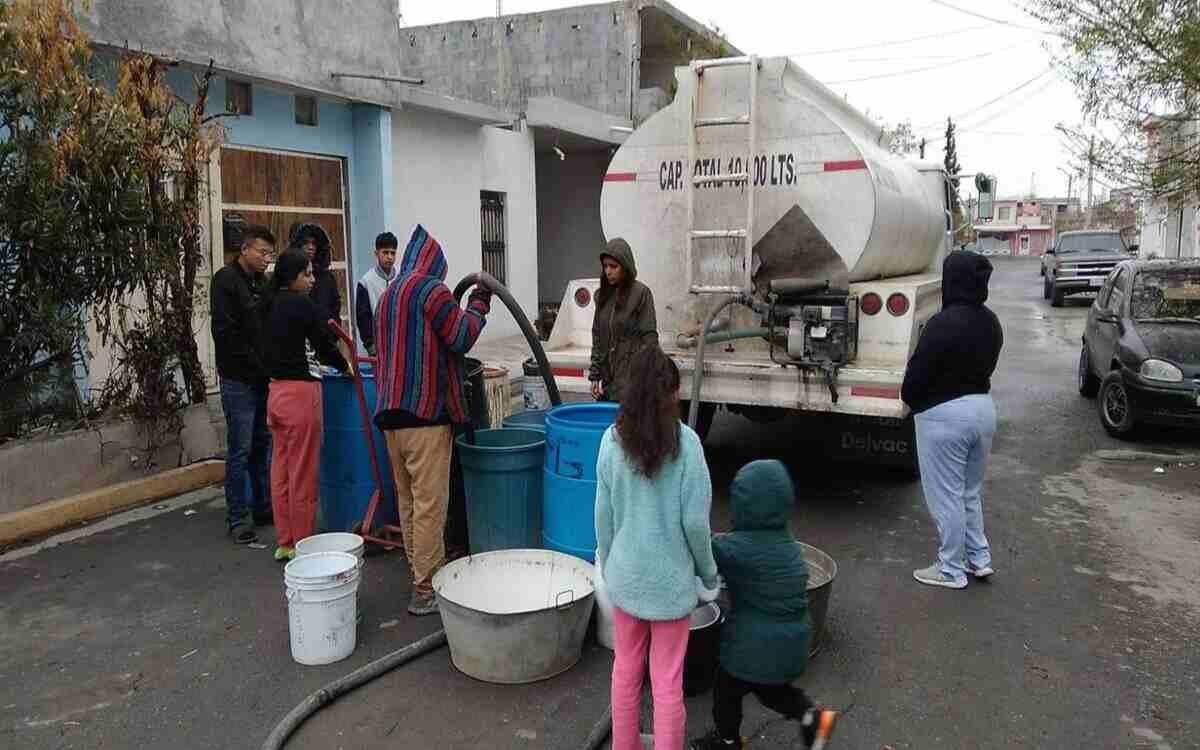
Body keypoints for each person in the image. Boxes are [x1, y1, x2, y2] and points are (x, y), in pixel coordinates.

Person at [595, 346, 718, 750]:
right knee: (667, 683)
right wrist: (708, 573)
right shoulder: (688, 446)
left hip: (626, 582)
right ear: (672, 394)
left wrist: (610, 564)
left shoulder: (611, 442)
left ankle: (624, 746)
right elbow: (697, 525)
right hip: (671, 589)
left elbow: (604, 517)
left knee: (625, 672)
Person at [374, 225, 493, 616]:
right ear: (435, 266)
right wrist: (479, 302)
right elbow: (461, 336)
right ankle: (426, 588)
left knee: (408, 502)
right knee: (429, 505)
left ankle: (418, 573)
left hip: (390, 417)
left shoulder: (388, 295)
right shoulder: (430, 289)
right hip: (425, 415)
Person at [689, 460, 839, 750]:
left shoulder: (735, 548)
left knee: (726, 692)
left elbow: (703, 549)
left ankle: (727, 740)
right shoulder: (788, 544)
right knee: (774, 691)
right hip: (795, 642)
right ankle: (813, 717)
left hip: (752, 646)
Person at [901, 250, 1004, 589]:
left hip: (944, 416)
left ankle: (950, 570)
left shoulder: (941, 324)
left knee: (946, 496)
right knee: (969, 492)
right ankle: (979, 559)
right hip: (982, 409)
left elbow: (918, 374)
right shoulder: (991, 322)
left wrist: (912, 400)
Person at [261, 249, 350, 561]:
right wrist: (345, 367)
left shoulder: (267, 303)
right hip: (301, 394)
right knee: (303, 474)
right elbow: (325, 345)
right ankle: (303, 544)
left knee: (281, 471)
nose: (313, 280)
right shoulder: (301, 304)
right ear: (293, 277)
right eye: (307, 274)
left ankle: (285, 542)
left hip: (275, 394)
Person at [210, 225, 275, 545]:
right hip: (238, 380)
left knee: (262, 446)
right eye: (262, 253)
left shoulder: (262, 283)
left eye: (270, 255)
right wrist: (253, 364)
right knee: (240, 448)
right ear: (245, 250)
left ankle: (263, 507)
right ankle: (238, 517)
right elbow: (225, 333)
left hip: (263, 379)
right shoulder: (225, 280)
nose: (266, 259)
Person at [589, 237, 658, 402]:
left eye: (614, 266)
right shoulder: (602, 296)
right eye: (605, 266)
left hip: (633, 383)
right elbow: (597, 337)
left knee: (630, 427)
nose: (608, 271)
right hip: (609, 383)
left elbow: (649, 338)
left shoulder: (641, 294)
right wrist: (594, 375)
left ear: (625, 267)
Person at [355, 231, 399, 357]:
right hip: (378, 350)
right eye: (385, 252)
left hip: (401, 347)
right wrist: (371, 348)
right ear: (376, 253)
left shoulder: (403, 278)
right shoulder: (366, 282)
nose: (390, 257)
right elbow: (363, 318)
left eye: (393, 253)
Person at [288, 222, 341, 325]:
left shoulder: (327, 278)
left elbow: (335, 309)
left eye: (314, 243)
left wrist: (332, 333)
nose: (311, 247)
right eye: (306, 243)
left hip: (325, 337)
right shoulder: (289, 276)